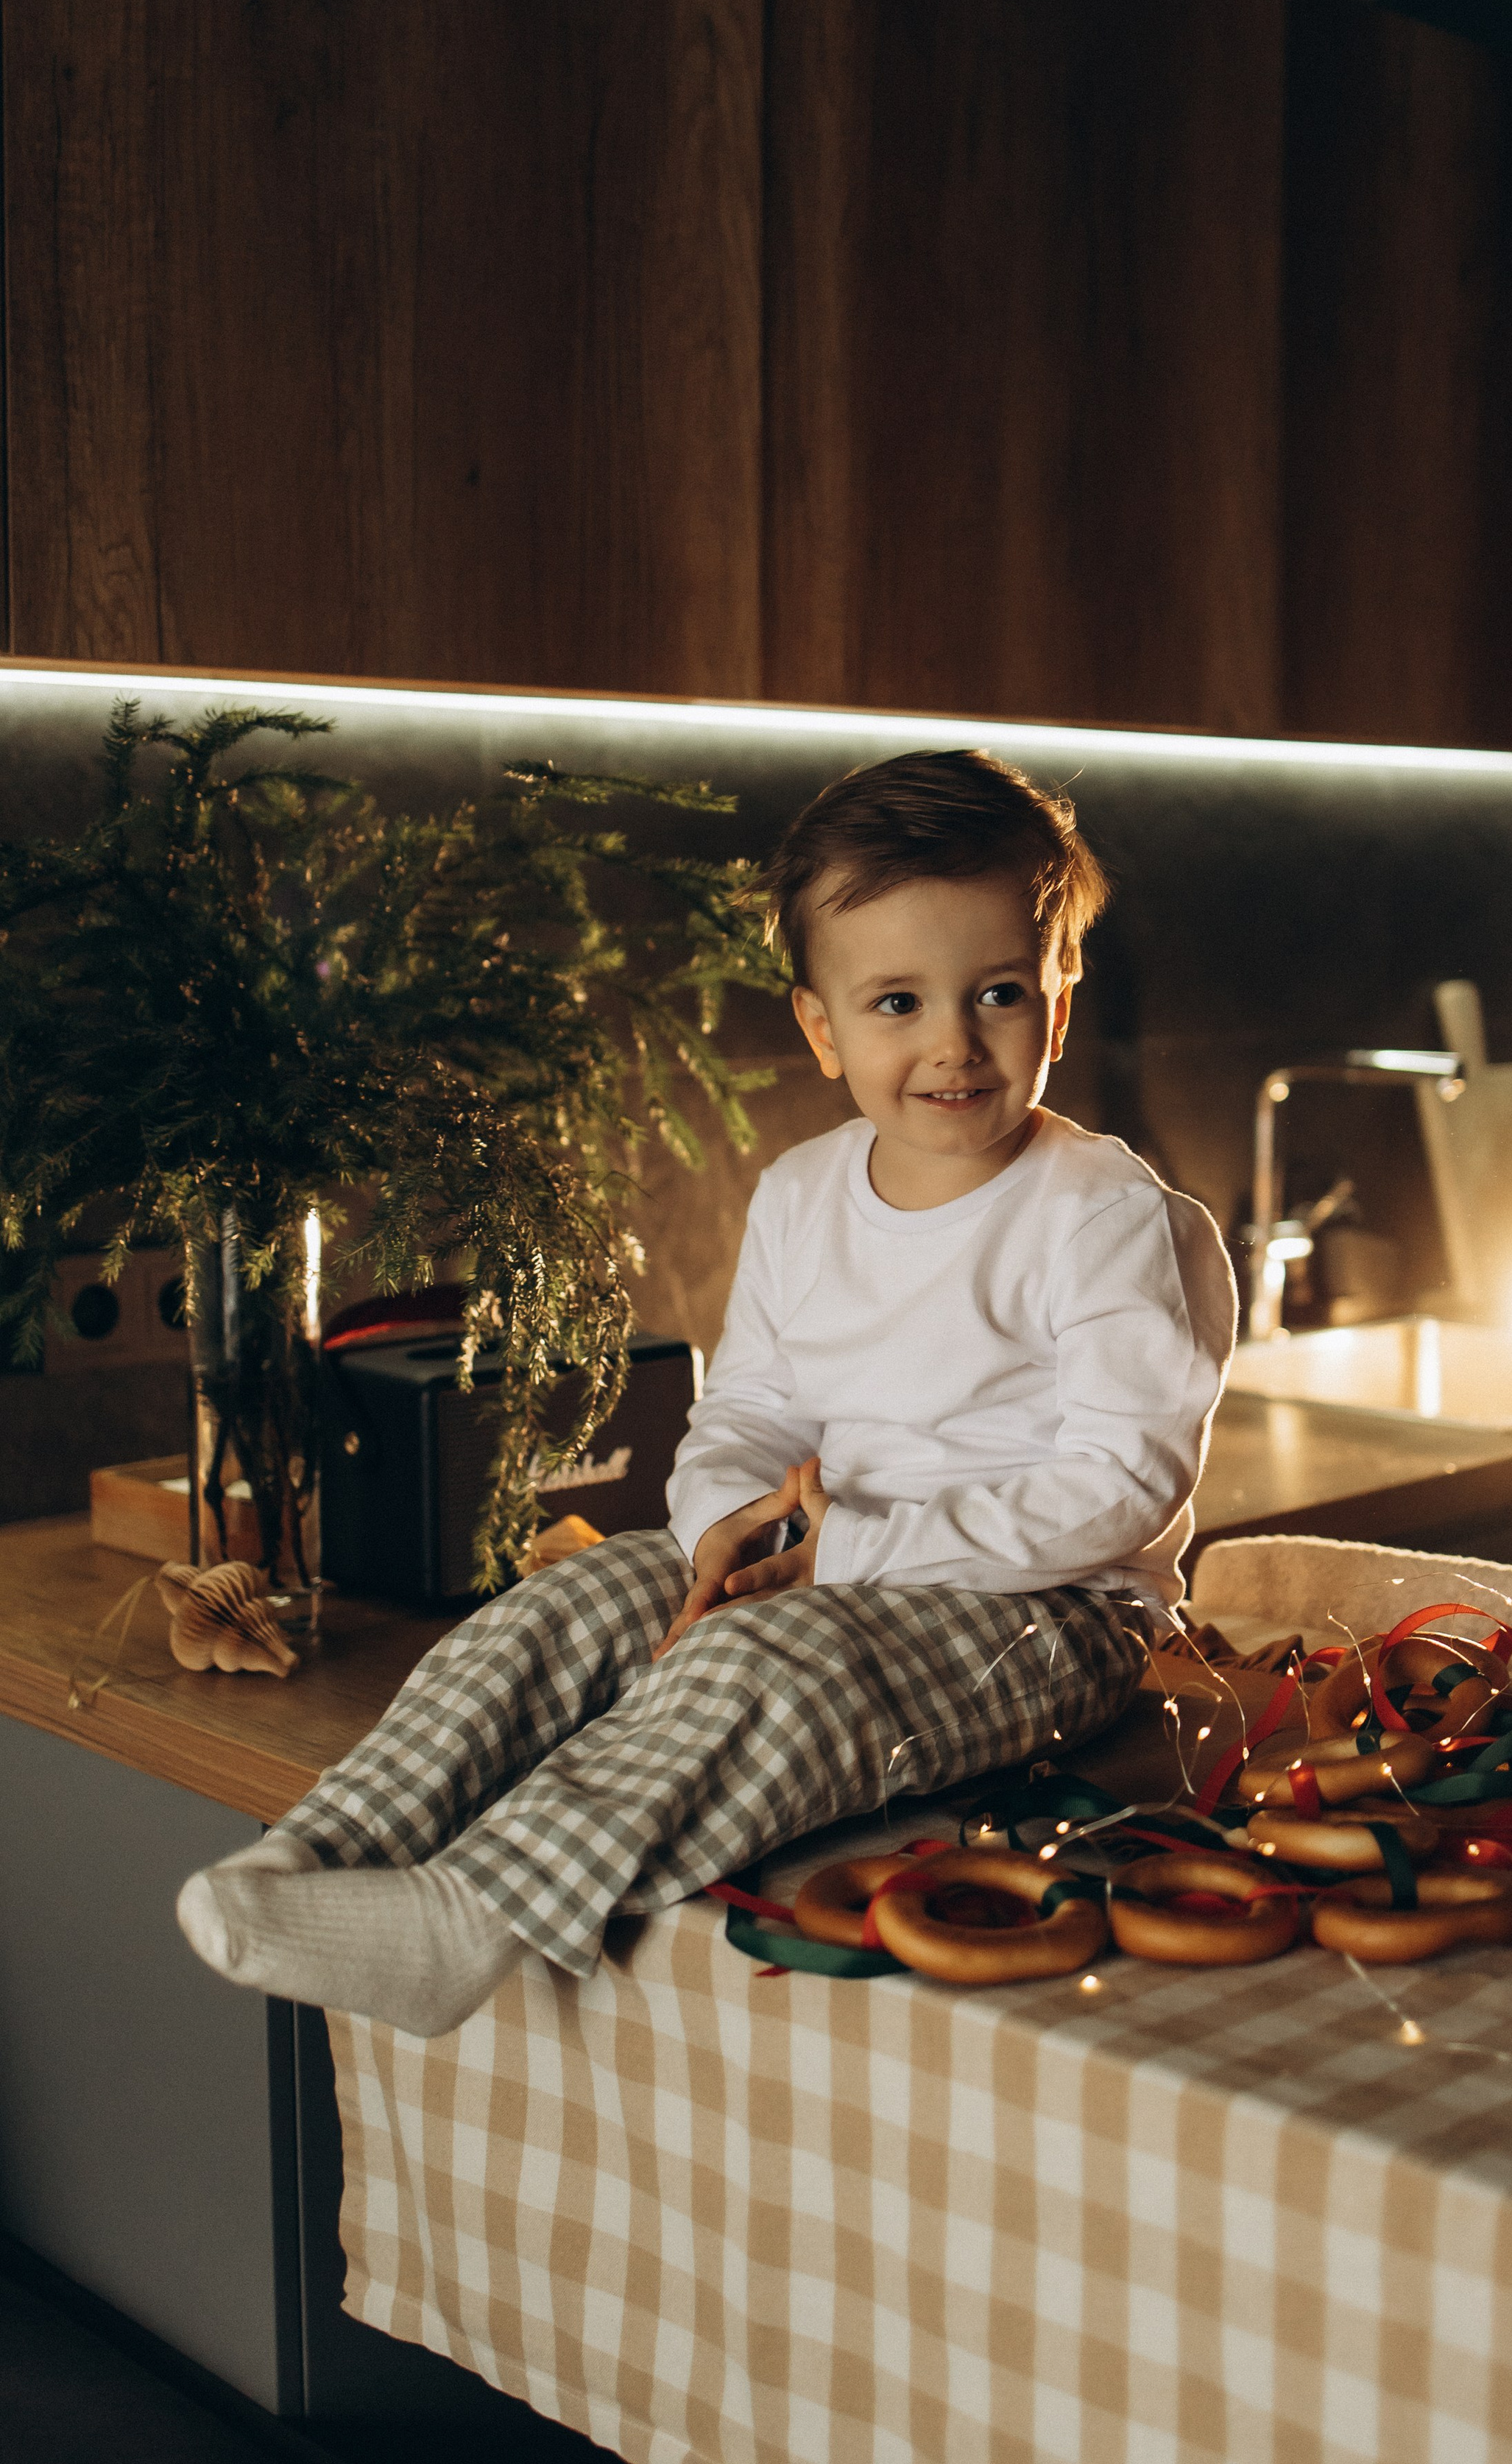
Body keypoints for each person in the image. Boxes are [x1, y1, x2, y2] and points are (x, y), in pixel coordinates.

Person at [176, 748, 1237, 2033]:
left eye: (998, 993)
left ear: (1058, 1004)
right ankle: (317, 1855)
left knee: (762, 1670)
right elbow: (748, 1414)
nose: (952, 1042)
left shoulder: (1101, 1210)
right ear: (820, 1023)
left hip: (1049, 1609)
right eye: (896, 1001)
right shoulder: (800, 1195)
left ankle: (473, 1919)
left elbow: (1119, 1490)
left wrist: (847, 1556)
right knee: (557, 1611)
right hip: (820, 1557)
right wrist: (730, 1524)